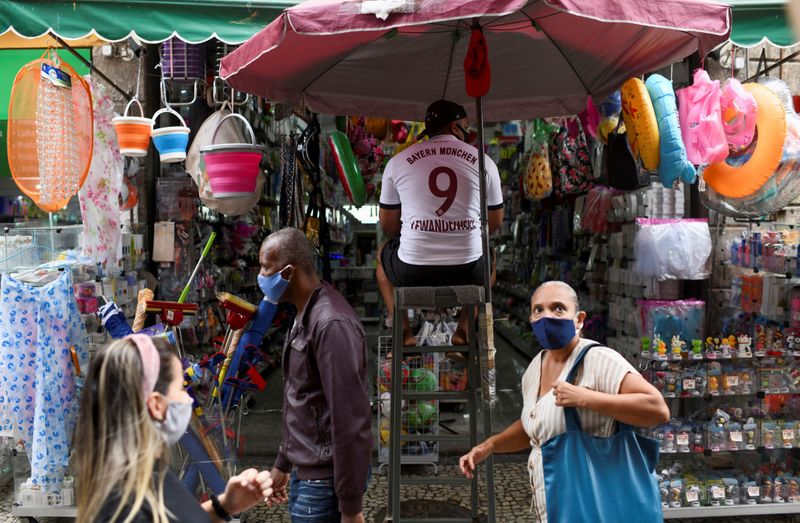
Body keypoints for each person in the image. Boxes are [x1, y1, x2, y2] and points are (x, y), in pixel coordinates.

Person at [459, 281, 670, 522]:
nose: (547, 316)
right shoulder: (535, 367)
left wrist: (585, 398)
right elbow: (537, 426)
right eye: (539, 309)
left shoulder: (598, 359)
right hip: (555, 509)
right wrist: (488, 446)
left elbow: (657, 409)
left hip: (595, 506)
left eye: (558, 308)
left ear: (578, 319)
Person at [76, 335, 273, 523]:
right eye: (180, 388)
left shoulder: (141, 471)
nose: (188, 399)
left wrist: (225, 506)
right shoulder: (126, 505)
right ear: (156, 405)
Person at [259, 228, 372, 523]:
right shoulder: (304, 313)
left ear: (288, 272)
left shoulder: (330, 323)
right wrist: (283, 463)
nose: (261, 276)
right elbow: (303, 397)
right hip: (308, 473)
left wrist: (350, 508)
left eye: (265, 268)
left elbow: (350, 418)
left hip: (325, 483)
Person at [377, 99, 504, 346]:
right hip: (467, 270)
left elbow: (388, 228)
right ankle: (464, 329)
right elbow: (495, 223)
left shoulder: (398, 162)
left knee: (382, 255)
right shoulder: (484, 162)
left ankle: (403, 332)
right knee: (490, 258)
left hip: (411, 271)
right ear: (456, 127)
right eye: (465, 126)